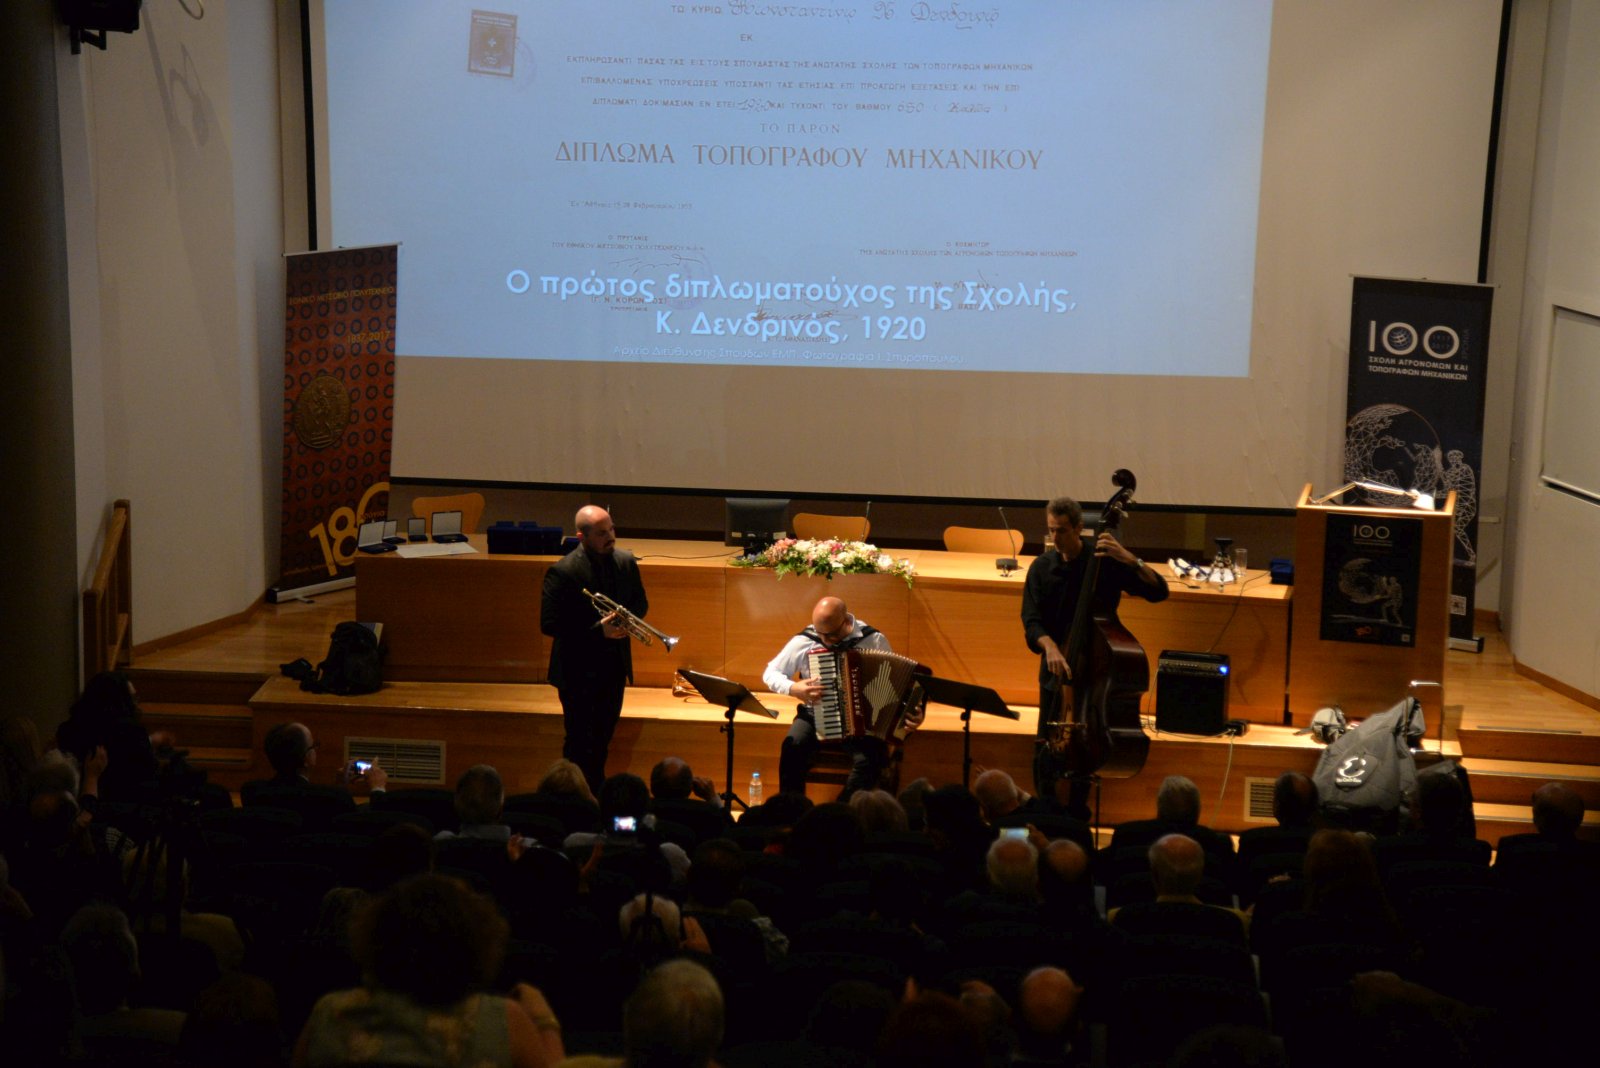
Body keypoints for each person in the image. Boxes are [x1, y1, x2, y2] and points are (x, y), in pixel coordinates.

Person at [1021, 495, 1169, 817]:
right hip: (1056, 674)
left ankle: (1077, 814)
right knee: (1045, 746)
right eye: (1050, 530)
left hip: (1094, 676)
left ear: (1079, 528)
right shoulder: (1041, 568)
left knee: (1086, 746)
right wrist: (1050, 646)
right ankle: (1045, 813)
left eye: (1061, 531)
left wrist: (1130, 559)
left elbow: (1159, 591)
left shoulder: (1103, 562)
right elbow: (1031, 621)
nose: (1055, 538)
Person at [763, 595, 921, 798]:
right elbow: (771, 673)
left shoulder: (873, 639)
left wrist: (910, 713)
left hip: (861, 722)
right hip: (814, 715)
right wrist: (793, 688)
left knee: (871, 760)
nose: (825, 640)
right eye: (820, 633)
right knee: (792, 747)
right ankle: (793, 809)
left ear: (846, 621)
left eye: (831, 634)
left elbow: (896, 686)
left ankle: (841, 811)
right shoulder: (805, 640)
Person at [541, 506, 650, 795]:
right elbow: (549, 623)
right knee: (578, 743)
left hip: (612, 668)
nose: (610, 536)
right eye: (602, 533)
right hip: (577, 671)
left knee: (602, 740)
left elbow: (640, 603)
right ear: (582, 536)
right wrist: (597, 629)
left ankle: (593, 797)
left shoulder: (626, 562)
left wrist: (626, 620)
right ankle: (573, 798)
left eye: (611, 529)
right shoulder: (563, 571)